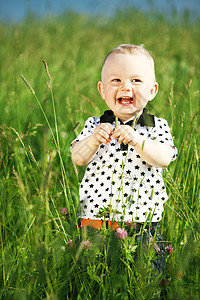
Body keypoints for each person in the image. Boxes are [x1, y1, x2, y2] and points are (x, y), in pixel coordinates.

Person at [71, 44, 177, 293]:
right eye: (116, 80)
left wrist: (139, 141)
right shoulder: (93, 125)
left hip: (142, 222)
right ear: (102, 90)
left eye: (136, 80)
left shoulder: (156, 127)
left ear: (152, 90)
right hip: (97, 219)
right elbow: (78, 157)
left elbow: (164, 158)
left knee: (147, 278)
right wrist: (94, 139)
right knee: (94, 279)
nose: (125, 87)